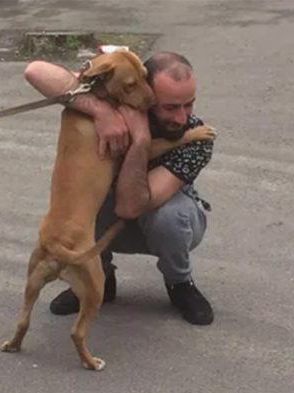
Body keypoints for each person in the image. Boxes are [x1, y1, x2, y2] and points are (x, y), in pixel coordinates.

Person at [23, 51, 216, 325]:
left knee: (172, 217)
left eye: (189, 105)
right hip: (105, 223)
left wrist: (139, 141)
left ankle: (179, 284)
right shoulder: (125, 94)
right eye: (170, 107)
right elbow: (35, 70)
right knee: (87, 202)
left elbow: (130, 206)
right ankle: (100, 276)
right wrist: (98, 110)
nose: (182, 118)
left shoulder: (197, 137)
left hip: (152, 220)